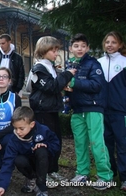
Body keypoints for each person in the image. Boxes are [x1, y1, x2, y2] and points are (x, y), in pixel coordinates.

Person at [65, 33, 113, 190]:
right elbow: (68, 88)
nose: (80, 49)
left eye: (83, 46)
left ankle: (105, 176)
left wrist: (73, 82)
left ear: (88, 48)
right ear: (71, 48)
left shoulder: (93, 64)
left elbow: (96, 85)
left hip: (93, 107)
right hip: (77, 109)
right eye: (76, 46)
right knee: (80, 143)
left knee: (96, 142)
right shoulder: (69, 65)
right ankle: (82, 173)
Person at [28, 36, 76, 184]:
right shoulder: (39, 68)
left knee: (56, 142)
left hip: (52, 109)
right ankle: (43, 173)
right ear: (44, 50)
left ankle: (53, 170)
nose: (56, 53)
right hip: (42, 111)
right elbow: (51, 86)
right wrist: (68, 74)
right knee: (44, 142)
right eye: (53, 50)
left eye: (57, 50)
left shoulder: (51, 67)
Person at [0, 106, 60, 196]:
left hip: (43, 162)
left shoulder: (43, 130)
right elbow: (7, 162)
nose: (18, 132)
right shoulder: (13, 140)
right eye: (15, 128)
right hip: (27, 163)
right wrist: (1, 186)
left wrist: (47, 146)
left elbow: (56, 144)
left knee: (41, 151)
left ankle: (41, 186)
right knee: (17, 159)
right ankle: (31, 179)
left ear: (31, 124)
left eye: (21, 128)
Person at [98, 31, 126, 191]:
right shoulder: (98, 63)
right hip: (102, 111)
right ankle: (110, 173)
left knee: (122, 145)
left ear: (120, 45)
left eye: (113, 42)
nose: (110, 45)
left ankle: (125, 178)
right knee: (106, 144)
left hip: (120, 111)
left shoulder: (124, 62)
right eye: (107, 42)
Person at [0, 67, 22, 174]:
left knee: (9, 142)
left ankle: (8, 164)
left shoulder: (15, 98)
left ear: (9, 81)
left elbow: (17, 122)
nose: (1, 79)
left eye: (5, 77)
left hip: (8, 135)